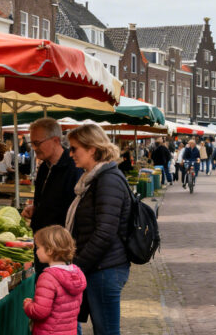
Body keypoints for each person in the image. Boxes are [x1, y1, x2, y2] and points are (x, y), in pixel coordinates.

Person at [65, 124, 131, 335]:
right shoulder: (92, 180)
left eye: (75, 148)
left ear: (92, 148)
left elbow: (105, 233)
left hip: (105, 269)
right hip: (100, 267)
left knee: (107, 331)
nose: (71, 153)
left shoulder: (107, 180)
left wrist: (77, 266)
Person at [21, 118, 83, 272]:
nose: (34, 148)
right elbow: (49, 201)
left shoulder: (73, 168)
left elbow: (72, 211)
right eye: (32, 143)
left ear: (55, 140)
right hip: (44, 246)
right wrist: (36, 209)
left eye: (37, 143)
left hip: (58, 251)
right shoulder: (44, 168)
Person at [23, 225, 86, 335]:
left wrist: (28, 305)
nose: (36, 251)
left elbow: (40, 312)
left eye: (38, 247)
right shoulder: (76, 274)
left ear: (50, 250)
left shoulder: (48, 277)